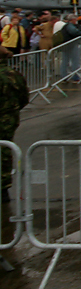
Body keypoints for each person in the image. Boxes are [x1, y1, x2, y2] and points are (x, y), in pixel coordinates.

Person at [0, 46, 30, 203]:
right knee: (5, 152)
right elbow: (24, 97)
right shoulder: (13, 74)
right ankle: (3, 188)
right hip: (9, 119)